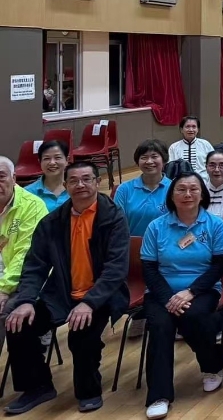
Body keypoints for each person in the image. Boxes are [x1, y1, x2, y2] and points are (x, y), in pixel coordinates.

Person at [3, 162, 129, 415]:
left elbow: (116, 269)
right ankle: (38, 386)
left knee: (81, 336)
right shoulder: (53, 221)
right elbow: (35, 266)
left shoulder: (113, 217)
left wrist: (89, 303)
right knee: (18, 322)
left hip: (101, 295)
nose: (80, 185)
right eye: (73, 180)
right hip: (61, 292)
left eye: (86, 179)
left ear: (97, 182)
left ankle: (89, 391)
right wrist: (25, 300)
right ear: (65, 185)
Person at [139, 174, 223, 419]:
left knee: (194, 316)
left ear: (202, 194)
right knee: (160, 326)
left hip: (202, 289)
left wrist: (190, 292)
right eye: (181, 189)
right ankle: (159, 396)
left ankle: (212, 365)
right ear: (171, 195)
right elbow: (149, 268)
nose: (187, 194)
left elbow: (220, 265)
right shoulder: (156, 226)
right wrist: (168, 298)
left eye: (193, 189)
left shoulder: (215, 224)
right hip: (161, 292)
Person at [0, 158, 47, 315]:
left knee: (6, 310)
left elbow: (25, 254)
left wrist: (3, 289)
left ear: (13, 179)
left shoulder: (32, 206)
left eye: (1, 176)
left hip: (25, 277)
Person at [115, 140, 172, 236]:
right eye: (144, 157)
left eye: (154, 157)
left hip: (165, 243)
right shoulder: (124, 189)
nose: (149, 161)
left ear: (164, 160)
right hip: (132, 243)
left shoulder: (175, 188)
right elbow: (117, 224)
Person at [25, 141, 69, 212]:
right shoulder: (28, 192)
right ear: (40, 162)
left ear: (67, 160)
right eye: (46, 158)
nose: (52, 163)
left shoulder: (77, 188)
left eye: (57, 157)